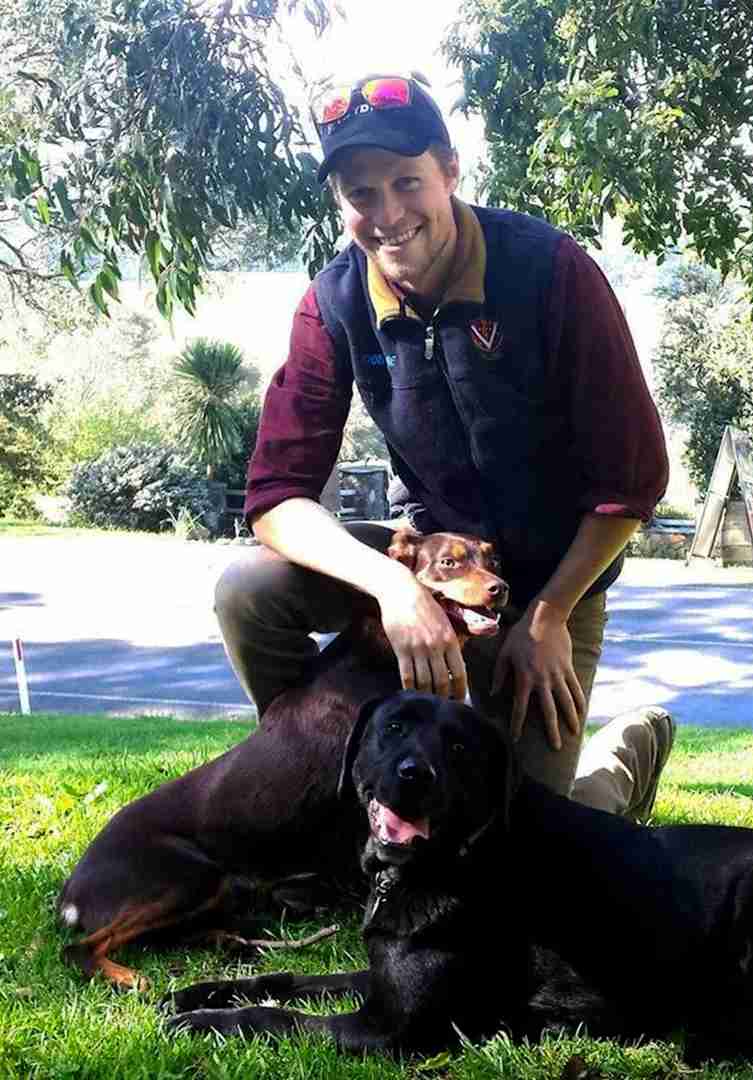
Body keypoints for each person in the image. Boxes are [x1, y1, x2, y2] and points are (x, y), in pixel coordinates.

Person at [214, 73, 673, 820]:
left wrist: (550, 614)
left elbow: (633, 482)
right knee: (246, 591)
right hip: (424, 557)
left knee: (523, 840)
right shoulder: (333, 302)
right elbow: (277, 496)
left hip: (554, 580)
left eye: (407, 182)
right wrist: (395, 588)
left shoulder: (550, 272)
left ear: (450, 171)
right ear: (340, 202)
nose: (388, 215)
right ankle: (313, 780)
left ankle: (624, 759)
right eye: (361, 194)